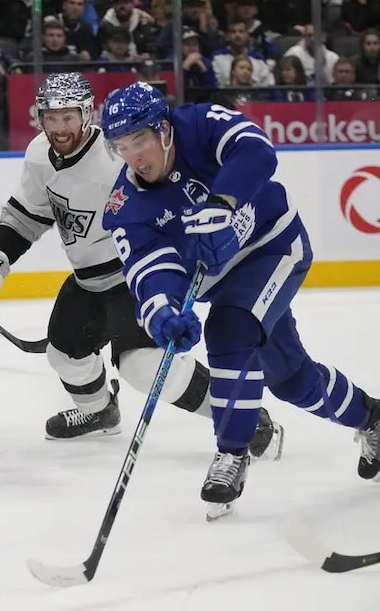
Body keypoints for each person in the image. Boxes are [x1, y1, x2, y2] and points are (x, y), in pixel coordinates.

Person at [0, 73, 281, 459]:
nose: (59, 128)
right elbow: (27, 215)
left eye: (68, 117)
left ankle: (243, 415)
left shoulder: (116, 156)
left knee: (144, 367)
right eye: (51, 117)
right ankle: (100, 412)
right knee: (64, 355)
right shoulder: (39, 154)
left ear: (86, 115)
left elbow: (168, 198)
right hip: (88, 279)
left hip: (134, 274)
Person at [98, 81, 380, 518]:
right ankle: (372, 418)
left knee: (229, 329)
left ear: (164, 130)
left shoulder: (198, 124)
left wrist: (222, 202)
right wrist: (163, 313)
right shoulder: (125, 207)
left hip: (274, 247)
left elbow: (256, 151)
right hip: (227, 284)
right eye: (121, 146)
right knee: (291, 381)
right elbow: (149, 270)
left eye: (139, 140)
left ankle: (232, 453)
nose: (133, 156)